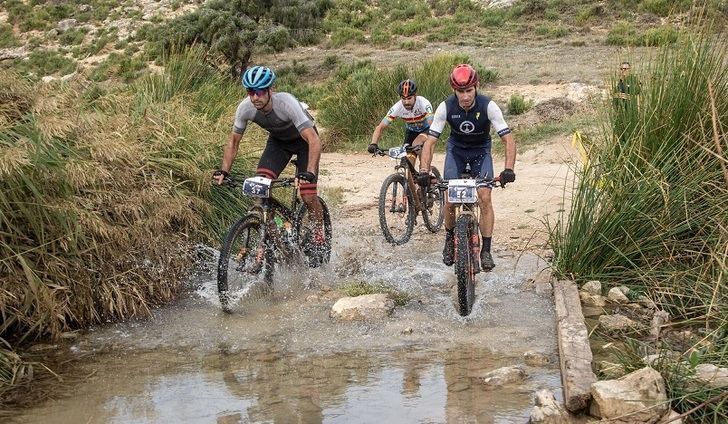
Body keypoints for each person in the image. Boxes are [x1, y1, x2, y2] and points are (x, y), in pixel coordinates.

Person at [212, 65, 326, 259]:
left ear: (270, 89)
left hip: (304, 142)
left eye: (259, 91)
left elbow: (314, 139)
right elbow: (233, 141)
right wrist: (224, 171)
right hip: (278, 144)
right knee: (259, 189)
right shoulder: (245, 108)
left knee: (307, 196)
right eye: (250, 92)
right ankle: (278, 244)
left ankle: (318, 233)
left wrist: (309, 172)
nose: (255, 97)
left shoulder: (287, 103)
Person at [417, 64, 516, 272]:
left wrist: (508, 168)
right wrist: (424, 171)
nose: (464, 97)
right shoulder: (445, 107)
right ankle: (449, 237)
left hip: (481, 152)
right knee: (451, 199)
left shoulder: (488, 105)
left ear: (476, 86)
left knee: (485, 197)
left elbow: (508, 139)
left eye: (469, 91)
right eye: (460, 92)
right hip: (456, 152)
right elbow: (431, 142)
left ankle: (486, 250)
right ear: (454, 90)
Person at [367, 79, 434, 170]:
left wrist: (429, 144)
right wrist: (373, 143)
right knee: (407, 163)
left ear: (415, 95)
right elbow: (380, 127)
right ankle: (411, 181)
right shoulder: (397, 107)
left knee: (416, 144)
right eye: (403, 98)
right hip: (411, 132)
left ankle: (426, 169)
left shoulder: (423, 103)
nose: (406, 102)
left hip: (426, 130)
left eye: (409, 98)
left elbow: (432, 124)